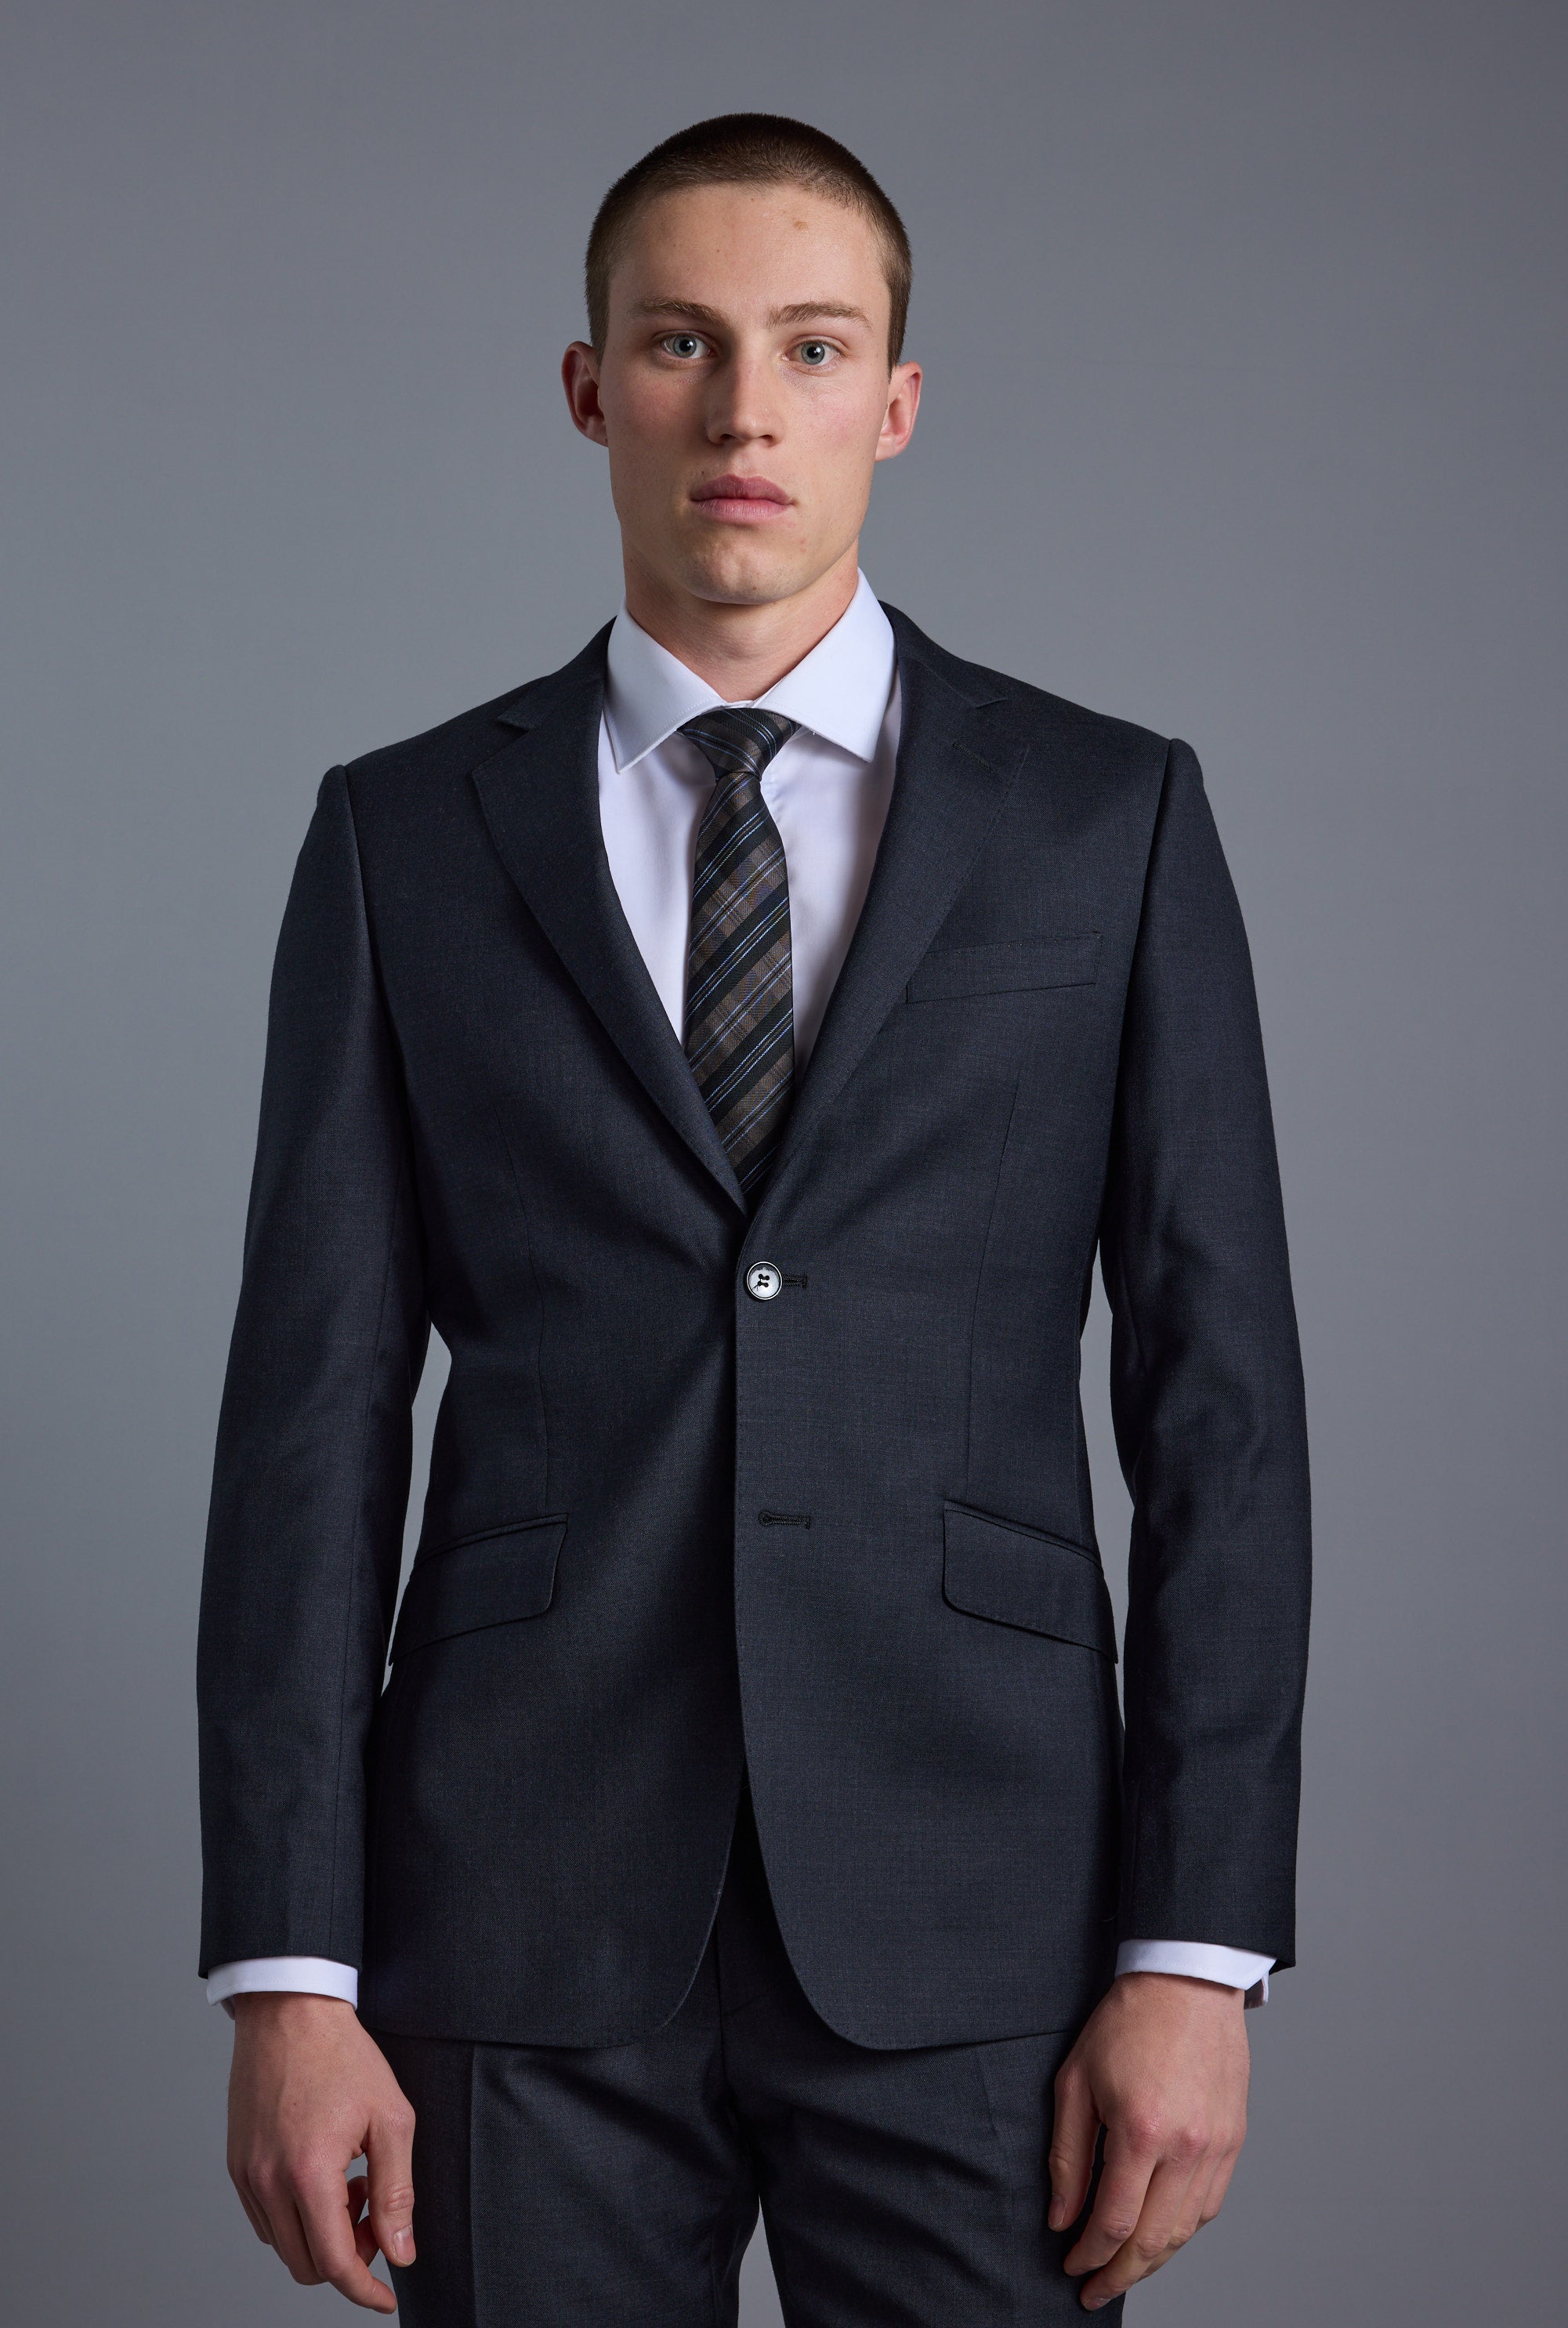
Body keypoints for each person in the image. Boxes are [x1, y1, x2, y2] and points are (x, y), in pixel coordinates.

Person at [197, 113, 1310, 2325]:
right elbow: (309, 1424)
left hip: (982, 1908)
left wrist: (1196, 1948)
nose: (742, 411)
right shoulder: (402, 838)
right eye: (680, 343)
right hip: (514, 1911)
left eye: (810, 349)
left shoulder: (1106, 820)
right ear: (589, 386)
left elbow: (1224, 1408)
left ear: (894, 400)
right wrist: (289, 1976)